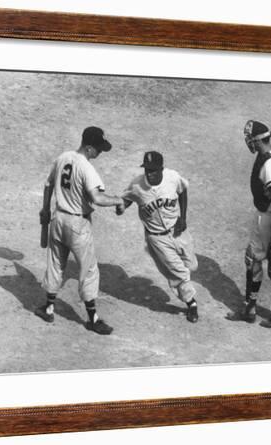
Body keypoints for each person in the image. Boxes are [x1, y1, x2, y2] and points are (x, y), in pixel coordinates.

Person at [36, 126, 125, 335]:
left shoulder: (63, 157)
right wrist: (118, 200)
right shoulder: (87, 168)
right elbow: (97, 198)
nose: (100, 152)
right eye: (98, 149)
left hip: (58, 219)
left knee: (56, 263)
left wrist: (45, 209)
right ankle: (93, 318)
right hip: (77, 224)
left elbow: (48, 185)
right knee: (89, 270)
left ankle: (48, 307)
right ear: (88, 147)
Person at [116, 151, 199, 323]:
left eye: (153, 170)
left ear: (161, 168)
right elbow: (126, 199)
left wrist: (183, 217)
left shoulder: (172, 177)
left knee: (192, 265)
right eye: (147, 169)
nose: (149, 173)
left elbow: (183, 192)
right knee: (180, 273)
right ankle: (191, 304)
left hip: (177, 230)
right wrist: (121, 207)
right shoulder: (137, 185)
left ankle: (177, 279)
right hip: (156, 238)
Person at [239, 120, 271, 328]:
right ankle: (249, 308)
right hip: (263, 214)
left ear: (256, 141)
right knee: (252, 258)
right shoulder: (269, 151)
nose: (248, 143)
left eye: (249, 140)